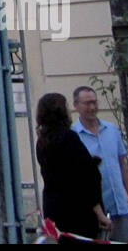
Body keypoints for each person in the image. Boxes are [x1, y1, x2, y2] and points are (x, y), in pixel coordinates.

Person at [72, 85, 128, 242]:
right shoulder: (74, 135)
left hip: (119, 206)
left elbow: (123, 164)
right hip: (93, 211)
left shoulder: (111, 129)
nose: (92, 107)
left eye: (94, 102)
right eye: (87, 103)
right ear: (76, 106)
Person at [36, 92, 109, 241]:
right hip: (77, 209)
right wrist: (100, 213)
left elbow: (59, 170)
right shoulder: (69, 137)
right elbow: (87, 176)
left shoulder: (42, 142)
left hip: (54, 208)